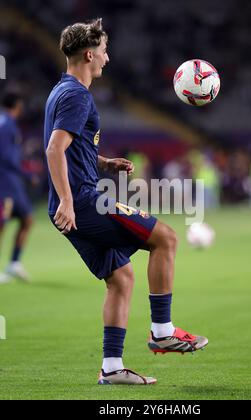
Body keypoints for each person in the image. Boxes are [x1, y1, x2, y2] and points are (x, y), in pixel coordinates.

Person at [44, 18, 208, 386]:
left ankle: (112, 367)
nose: (107, 57)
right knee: (165, 237)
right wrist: (69, 202)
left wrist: (103, 163)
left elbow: (70, 146)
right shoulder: (76, 94)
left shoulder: (61, 90)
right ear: (89, 53)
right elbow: (55, 148)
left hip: (74, 200)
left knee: (121, 278)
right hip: (84, 201)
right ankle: (162, 331)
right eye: (103, 50)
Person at [0, 92, 33, 284]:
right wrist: (28, 175)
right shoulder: (8, 124)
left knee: (27, 219)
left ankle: (13, 263)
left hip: (10, 182)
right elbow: (6, 157)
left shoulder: (4, 122)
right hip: (6, 182)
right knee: (2, 223)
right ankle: (12, 263)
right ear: (18, 105)